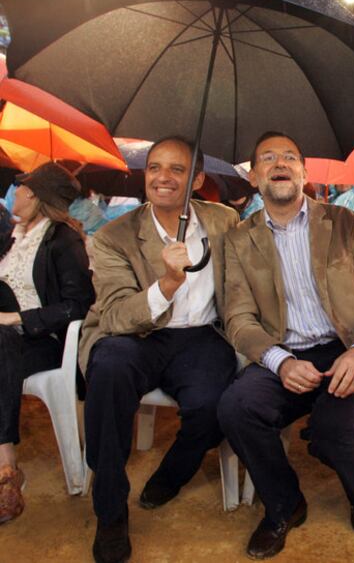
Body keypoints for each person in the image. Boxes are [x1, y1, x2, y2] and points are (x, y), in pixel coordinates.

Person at [218, 132, 354, 560]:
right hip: (285, 354)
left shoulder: (345, 223)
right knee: (236, 407)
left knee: (333, 428)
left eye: (289, 157)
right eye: (267, 158)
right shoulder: (240, 240)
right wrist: (279, 362)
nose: (279, 163)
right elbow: (238, 318)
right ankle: (284, 504)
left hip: (349, 348)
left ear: (303, 171)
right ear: (253, 176)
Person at [79, 136, 238, 563]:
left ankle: (174, 472)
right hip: (137, 336)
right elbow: (112, 315)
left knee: (216, 402)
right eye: (154, 168)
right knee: (109, 369)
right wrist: (167, 283)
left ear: (197, 179)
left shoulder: (225, 221)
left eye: (176, 169)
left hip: (203, 336)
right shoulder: (115, 235)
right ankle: (110, 510)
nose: (162, 177)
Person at [0, 162, 95, 524]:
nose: (16, 193)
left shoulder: (62, 239)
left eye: (22, 188)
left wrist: (17, 319)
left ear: (35, 196)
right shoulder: (14, 236)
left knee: (2, 335)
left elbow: (77, 305)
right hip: (7, 341)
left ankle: (7, 468)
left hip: (43, 340)